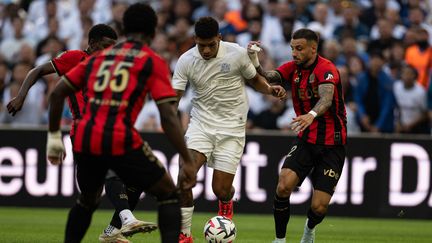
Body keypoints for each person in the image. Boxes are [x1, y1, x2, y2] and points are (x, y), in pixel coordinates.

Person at [45, 3, 196, 243]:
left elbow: (56, 93)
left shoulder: (97, 58)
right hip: (117, 136)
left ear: (124, 30)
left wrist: (54, 137)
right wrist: (187, 160)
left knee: (87, 200)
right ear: (154, 32)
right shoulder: (151, 61)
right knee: (168, 193)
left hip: (84, 137)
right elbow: (167, 116)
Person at [6, 23, 153, 243]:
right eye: (104, 47)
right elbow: (36, 70)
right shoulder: (75, 58)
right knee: (96, 190)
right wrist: (20, 96)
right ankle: (126, 218)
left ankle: (114, 230)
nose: (107, 52)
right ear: (92, 44)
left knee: (135, 179)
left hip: (109, 129)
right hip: (84, 131)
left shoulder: (111, 67)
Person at [172, 16, 287, 243]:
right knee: (185, 178)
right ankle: (184, 234)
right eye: (201, 45)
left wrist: (270, 90)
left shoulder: (236, 53)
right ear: (194, 39)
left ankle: (226, 204)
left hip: (232, 129)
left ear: (219, 38)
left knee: (221, 190)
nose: (205, 50)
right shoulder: (186, 60)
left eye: (211, 45)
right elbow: (174, 97)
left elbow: (255, 81)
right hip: (200, 126)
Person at [248, 29, 347, 243]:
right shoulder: (293, 68)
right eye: (292, 48)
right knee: (283, 185)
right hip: (306, 139)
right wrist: (254, 58)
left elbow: (326, 99)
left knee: (319, 206)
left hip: (333, 143)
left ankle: (309, 231)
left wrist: (311, 114)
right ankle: (280, 240)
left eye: (299, 48)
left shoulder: (326, 69)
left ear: (313, 47)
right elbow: (267, 76)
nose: (294, 53)